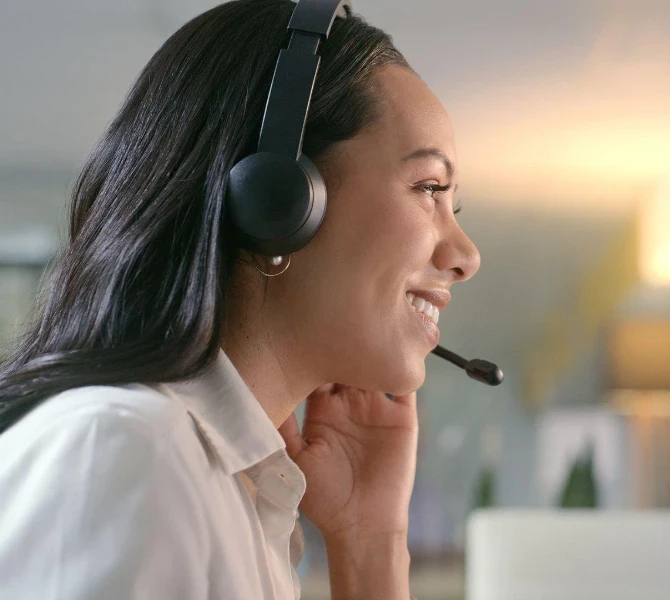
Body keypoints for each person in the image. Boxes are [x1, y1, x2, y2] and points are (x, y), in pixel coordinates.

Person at [0, 0, 480, 598]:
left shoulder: (243, 497)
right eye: (428, 188)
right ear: (278, 199)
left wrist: (369, 542)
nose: (465, 255)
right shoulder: (128, 451)